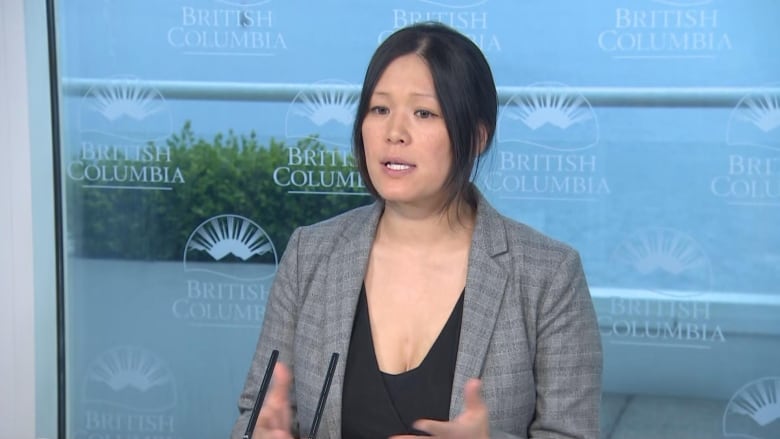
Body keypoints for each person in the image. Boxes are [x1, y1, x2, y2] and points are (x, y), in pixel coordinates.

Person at [231, 21, 602, 439]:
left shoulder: (548, 275)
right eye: (379, 109)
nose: (394, 133)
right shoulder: (310, 254)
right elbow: (256, 414)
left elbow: (572, 433)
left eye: (423, 113)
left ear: (477, 135)